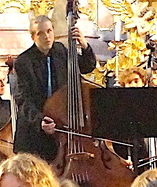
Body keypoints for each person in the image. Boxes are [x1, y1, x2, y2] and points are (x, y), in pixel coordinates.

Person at [12, 14, 96, 161]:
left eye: (49, 31)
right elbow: (23, 99)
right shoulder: (23, 61)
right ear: (33, 37)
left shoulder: (61, 51)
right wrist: (40, 120)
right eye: (41, 33)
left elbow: (87, 66)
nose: (47, 36)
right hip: (35, 130)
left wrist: (84, 46)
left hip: (62, 125)